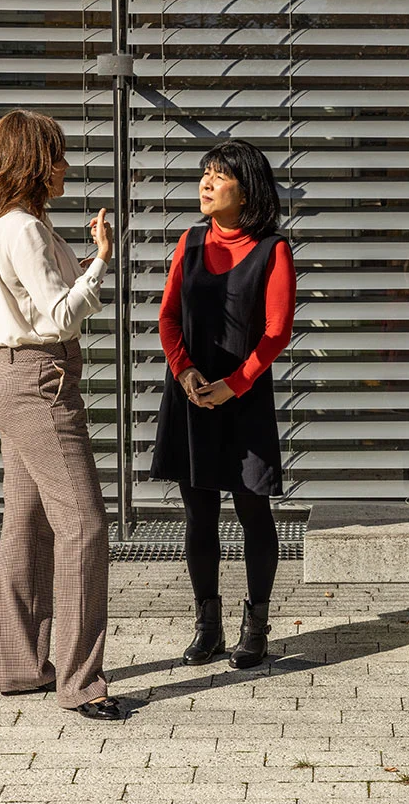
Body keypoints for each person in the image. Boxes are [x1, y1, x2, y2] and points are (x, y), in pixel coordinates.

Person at [0, 109, 123, 720]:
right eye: (57, 156)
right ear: (36, 163)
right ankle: (81, 682)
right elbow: (60, 316)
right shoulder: (25, 230)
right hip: (39, 380)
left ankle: (23, 667)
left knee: (27, 526)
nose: (65, 167)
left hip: (7, 374)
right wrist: (101, 262)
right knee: (84, 526)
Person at [151, 139, 295, 669]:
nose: (206, 183)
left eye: (219, 175)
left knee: (253, 509)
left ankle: (255, 626)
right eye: (204, 173)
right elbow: (167, 318)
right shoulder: (188, 242)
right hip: (190, 395)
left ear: (247, 188)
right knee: (199, 512)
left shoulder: (273, 249)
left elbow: (277, 332)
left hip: (245, 397)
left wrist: (234, 384)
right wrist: (185, 372)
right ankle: (207, 626)